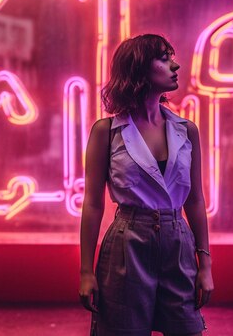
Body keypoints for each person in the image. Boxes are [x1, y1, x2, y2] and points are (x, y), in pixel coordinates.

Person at [79, 33, 214, 336]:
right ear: (139, 67)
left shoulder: (186, 130)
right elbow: (92, 203)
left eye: (172, 57)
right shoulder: (107, 131)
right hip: (128, 241)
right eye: (164, 59)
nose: (175, 66)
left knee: (187, 329)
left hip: (177, 240)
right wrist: (86, 271)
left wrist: (205, 265)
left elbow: (195, 200)